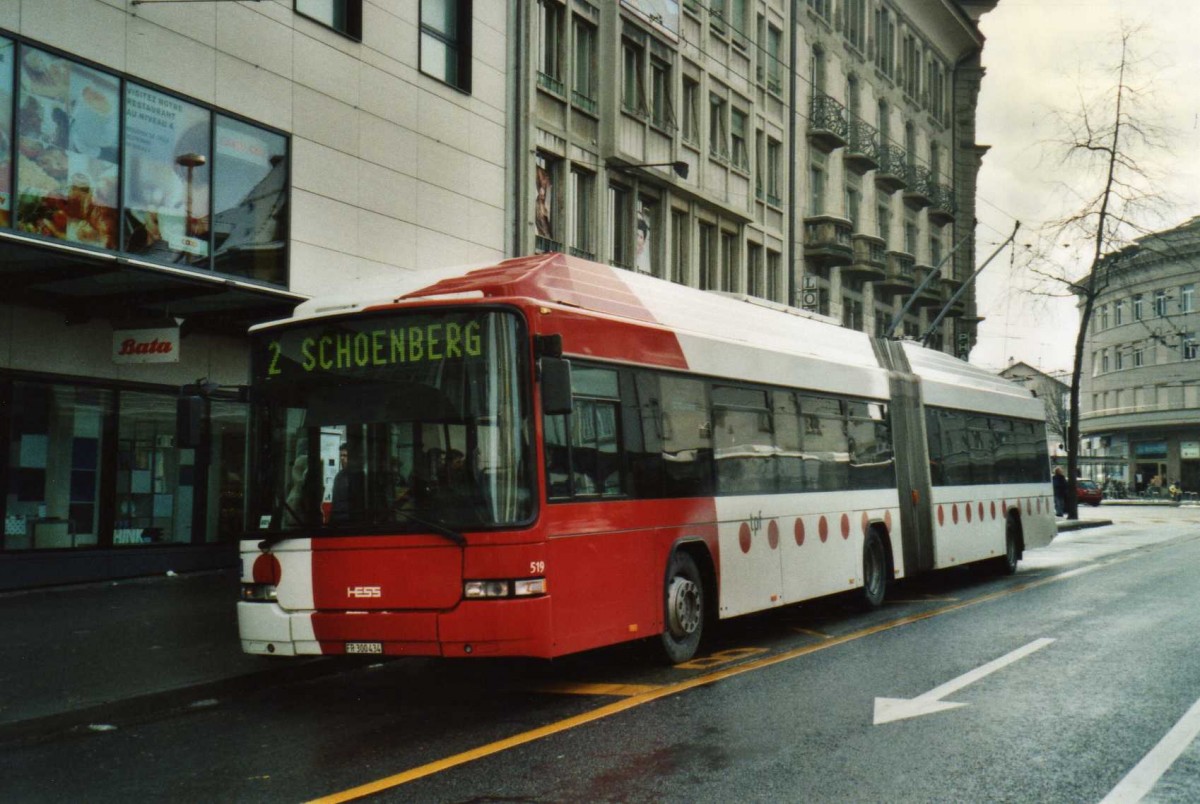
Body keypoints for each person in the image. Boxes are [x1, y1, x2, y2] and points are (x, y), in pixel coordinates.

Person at [330, 443, 365, 523]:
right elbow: (335, 503)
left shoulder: (360, 477)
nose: (342, 458)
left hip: (351, 523)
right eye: (341, 455)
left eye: (345, 455)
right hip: (338, 522)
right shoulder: (339, 476)